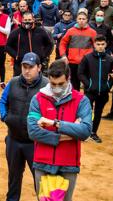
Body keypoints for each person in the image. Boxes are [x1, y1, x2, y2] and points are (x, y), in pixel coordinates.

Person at [27, 59, 92, 201]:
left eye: (61, 84)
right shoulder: (37, 99)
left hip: (68, 165)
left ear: (68, 79)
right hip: (42, 163)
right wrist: (70, 133)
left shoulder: (81, 100)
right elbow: (33, 132)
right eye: (53, 84)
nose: (56, 88)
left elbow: (85, 130)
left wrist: (54, 123)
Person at [0, 52, 48, 201]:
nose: (27, 70)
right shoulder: (13, 82)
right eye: (24, 67)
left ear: (39, 67)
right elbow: (2, 101)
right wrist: (5, 117)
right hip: (13, 140)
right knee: (13, 177)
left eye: (31, 67)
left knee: (40, 179)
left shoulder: (46, 86)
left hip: (36, 143)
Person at [77, 35, 113, 143]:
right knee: (87, 112)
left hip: (103, 92)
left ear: (106, 45)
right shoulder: (87, 58)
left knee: (98, 113)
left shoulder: (110, 59)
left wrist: (108, 85)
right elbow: (80, 73)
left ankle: (93, 133)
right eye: (98, 44)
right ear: (94, 45)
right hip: (90, 92)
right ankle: (84, 132)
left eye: (102, 44)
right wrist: (88, 85)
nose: (100, 47)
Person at [6, 12, 54, 77]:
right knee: (19, 83)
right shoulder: (16, 32)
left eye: (29, 20)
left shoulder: (40, 31)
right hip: (20, 63)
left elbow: (49, 44)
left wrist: (43, 55)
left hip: (37, 63)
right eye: (25, 20)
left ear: (33, 20)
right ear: (22, 20)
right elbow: (8, 46)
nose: (27, 22)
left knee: (39, 83)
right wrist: (16, 56)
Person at [59, 11, 96, 91]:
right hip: (73, 62)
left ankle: (86, 102)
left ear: (87, 20)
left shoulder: (92, 32)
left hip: (87, 62)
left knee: (88, 85)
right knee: (74, 86)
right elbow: (62, 43)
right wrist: (63, 56)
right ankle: (75, 102)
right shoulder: (70, 31)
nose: (81, 20)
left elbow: (97, 45)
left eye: (83, 19)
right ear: (76, 20)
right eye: (79, 19)